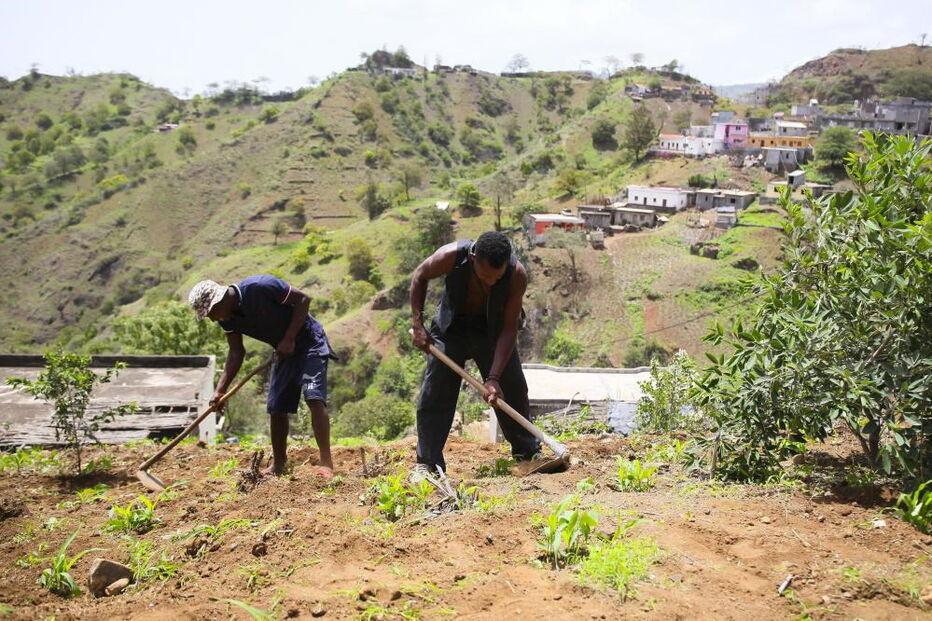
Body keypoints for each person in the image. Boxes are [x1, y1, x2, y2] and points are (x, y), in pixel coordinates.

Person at [410, 231, 541, 479]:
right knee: (436, 390)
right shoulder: (450, 256)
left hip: (492, 332)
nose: (491, 282)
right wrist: (418, 325)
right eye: (484, 276)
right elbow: (420, 276)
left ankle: (528, 454)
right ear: (472, 259)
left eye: (497, 277)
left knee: (512, 386)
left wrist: (493, 377)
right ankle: (427, 464)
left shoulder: (516, 275)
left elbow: (509, 327)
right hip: (451, 329)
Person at [188, 274, 335, 478]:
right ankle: (279, 465)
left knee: (314, 398)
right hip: (283, 351)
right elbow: (236, 352)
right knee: (276, 406)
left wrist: (289, 338)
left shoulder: (260, 287)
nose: (212, 319)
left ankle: (326, 463)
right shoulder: (227, 319)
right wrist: (220, 390)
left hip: (310, 342)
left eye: (211, 313)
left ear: (220, 300)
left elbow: (303, 299)